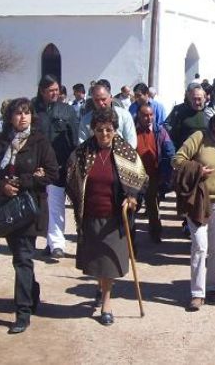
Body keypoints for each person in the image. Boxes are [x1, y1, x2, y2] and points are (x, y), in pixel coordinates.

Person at [0, 97, 59, 334]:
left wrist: (25, 181)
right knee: (19, 256)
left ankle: (22, 312)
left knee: (22, 258)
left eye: (26, 113)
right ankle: (31, 290)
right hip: (6, 208)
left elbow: (53, 172)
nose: (22, 117)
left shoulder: (40, 142)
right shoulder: (0, 143)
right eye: (18, 113)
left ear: (31, 116)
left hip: (30, 207)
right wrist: (1, 187)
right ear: (10, 117)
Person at [65, 108, 148, 326]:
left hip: (114, 218)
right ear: (93, 130)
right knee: (97, 262)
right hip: (91, 215)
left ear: (115, 130)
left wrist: (131, 196)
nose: (104, 135)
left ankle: (106, 303)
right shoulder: (82, 152)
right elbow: (71, 177)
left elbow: (141, 179)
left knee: (109, 263)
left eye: (109, 130)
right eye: (99, 130)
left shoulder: (125, 152)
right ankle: (101, 288)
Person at [172, 110, 215, 311]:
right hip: (199, 201)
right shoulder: (199, 138)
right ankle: (197, 293)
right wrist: (197, 170)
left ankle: (211, 288)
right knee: (200, 245)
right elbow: (177, 159)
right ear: (214, 127)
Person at [32, 75, 79, 259]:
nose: (55, 93)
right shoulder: (32, 110)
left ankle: (57, 244)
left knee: (56, 204)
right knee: (40, 206)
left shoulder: (67, 111)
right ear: (42, 91)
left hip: (58, 167)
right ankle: (49, 242)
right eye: (51, 90)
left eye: (56, 89)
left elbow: (74, 139)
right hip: (36, 166)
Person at [135, 104, 175, 243]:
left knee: (152, 204)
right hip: (135, 175)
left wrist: (168, 170)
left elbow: (169, 150)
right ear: (139, 116)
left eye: (151, 115)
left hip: (153, 174)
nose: (149, 118)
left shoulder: (160, 131)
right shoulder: (132, 131)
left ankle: (155, 233)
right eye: (145, 115)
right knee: (134, 204)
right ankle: (129, 234)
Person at [166, 83, 208, 151]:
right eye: (194, 99)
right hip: (185, 153)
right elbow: (168, 128)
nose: (197, 102)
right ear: (189, 98)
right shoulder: (179, 111)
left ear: (204, 98)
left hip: (205, 153)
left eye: (199, 99)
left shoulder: (210, 112)